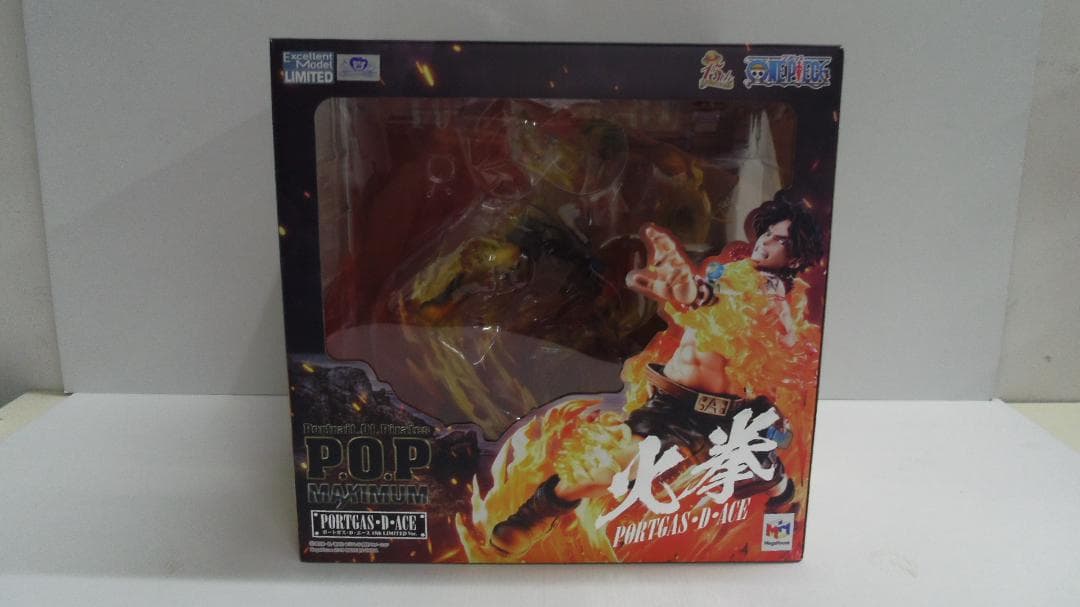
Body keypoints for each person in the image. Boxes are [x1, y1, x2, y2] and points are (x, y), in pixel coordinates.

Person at [488, 190, 825, 556]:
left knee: (763, 468)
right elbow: (709, 294)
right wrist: (689, 290)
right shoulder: (733, 274)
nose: (766, 242)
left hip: (722, 417)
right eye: (768, 233)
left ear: (795, 257)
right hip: (672, 406)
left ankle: (783, 498)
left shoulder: (778, 306)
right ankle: (534, 515)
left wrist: (717, 302)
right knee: (604, 465)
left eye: (780, 241)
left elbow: (768, 332)